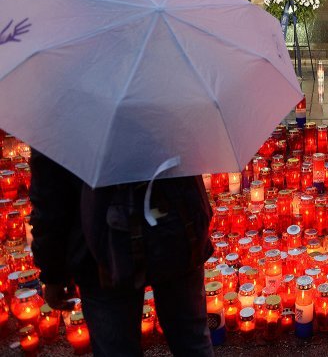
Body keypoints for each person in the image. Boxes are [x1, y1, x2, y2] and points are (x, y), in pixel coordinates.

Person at [29, 149, 214, 356]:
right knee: (191, 338)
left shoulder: (64, 119)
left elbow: (49, 197)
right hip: (176, 229)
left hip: (101, 252)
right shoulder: (171, 114)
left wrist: (53, 272)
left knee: (118, 348)